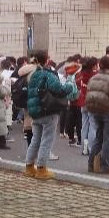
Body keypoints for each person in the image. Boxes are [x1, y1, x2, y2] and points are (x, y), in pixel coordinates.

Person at [24, 49, 77, 179]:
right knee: (47, 140)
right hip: (48, 111)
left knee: (35, 139)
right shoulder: (48, 75)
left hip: (35, 111)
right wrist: (70, 83)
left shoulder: (32, 75)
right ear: (47, 60)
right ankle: (41, 169)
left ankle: (29, 167)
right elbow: (60, 90)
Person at [83, 55, 109, 174]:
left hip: (95, 111)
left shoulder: (93, 78)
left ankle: (91, 164)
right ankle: (105, 165)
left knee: (99, 137)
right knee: (108, 139)